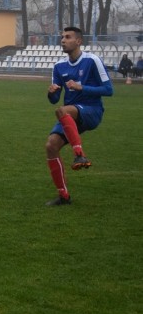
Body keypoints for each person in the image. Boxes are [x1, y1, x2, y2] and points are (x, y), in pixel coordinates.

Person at [44, 26, 113, 206]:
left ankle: (79, 155)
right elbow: (54, 100)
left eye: (67, 37)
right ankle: (64, 196)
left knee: (62, 111)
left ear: (79, 41)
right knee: (51, 146)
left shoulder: (92, 60)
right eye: (62, 37)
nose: (63, 40)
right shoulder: (59, 66)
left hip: (92, 110)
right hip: (71, 117)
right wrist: (51, 93)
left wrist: (83, 87)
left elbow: (109, 90)